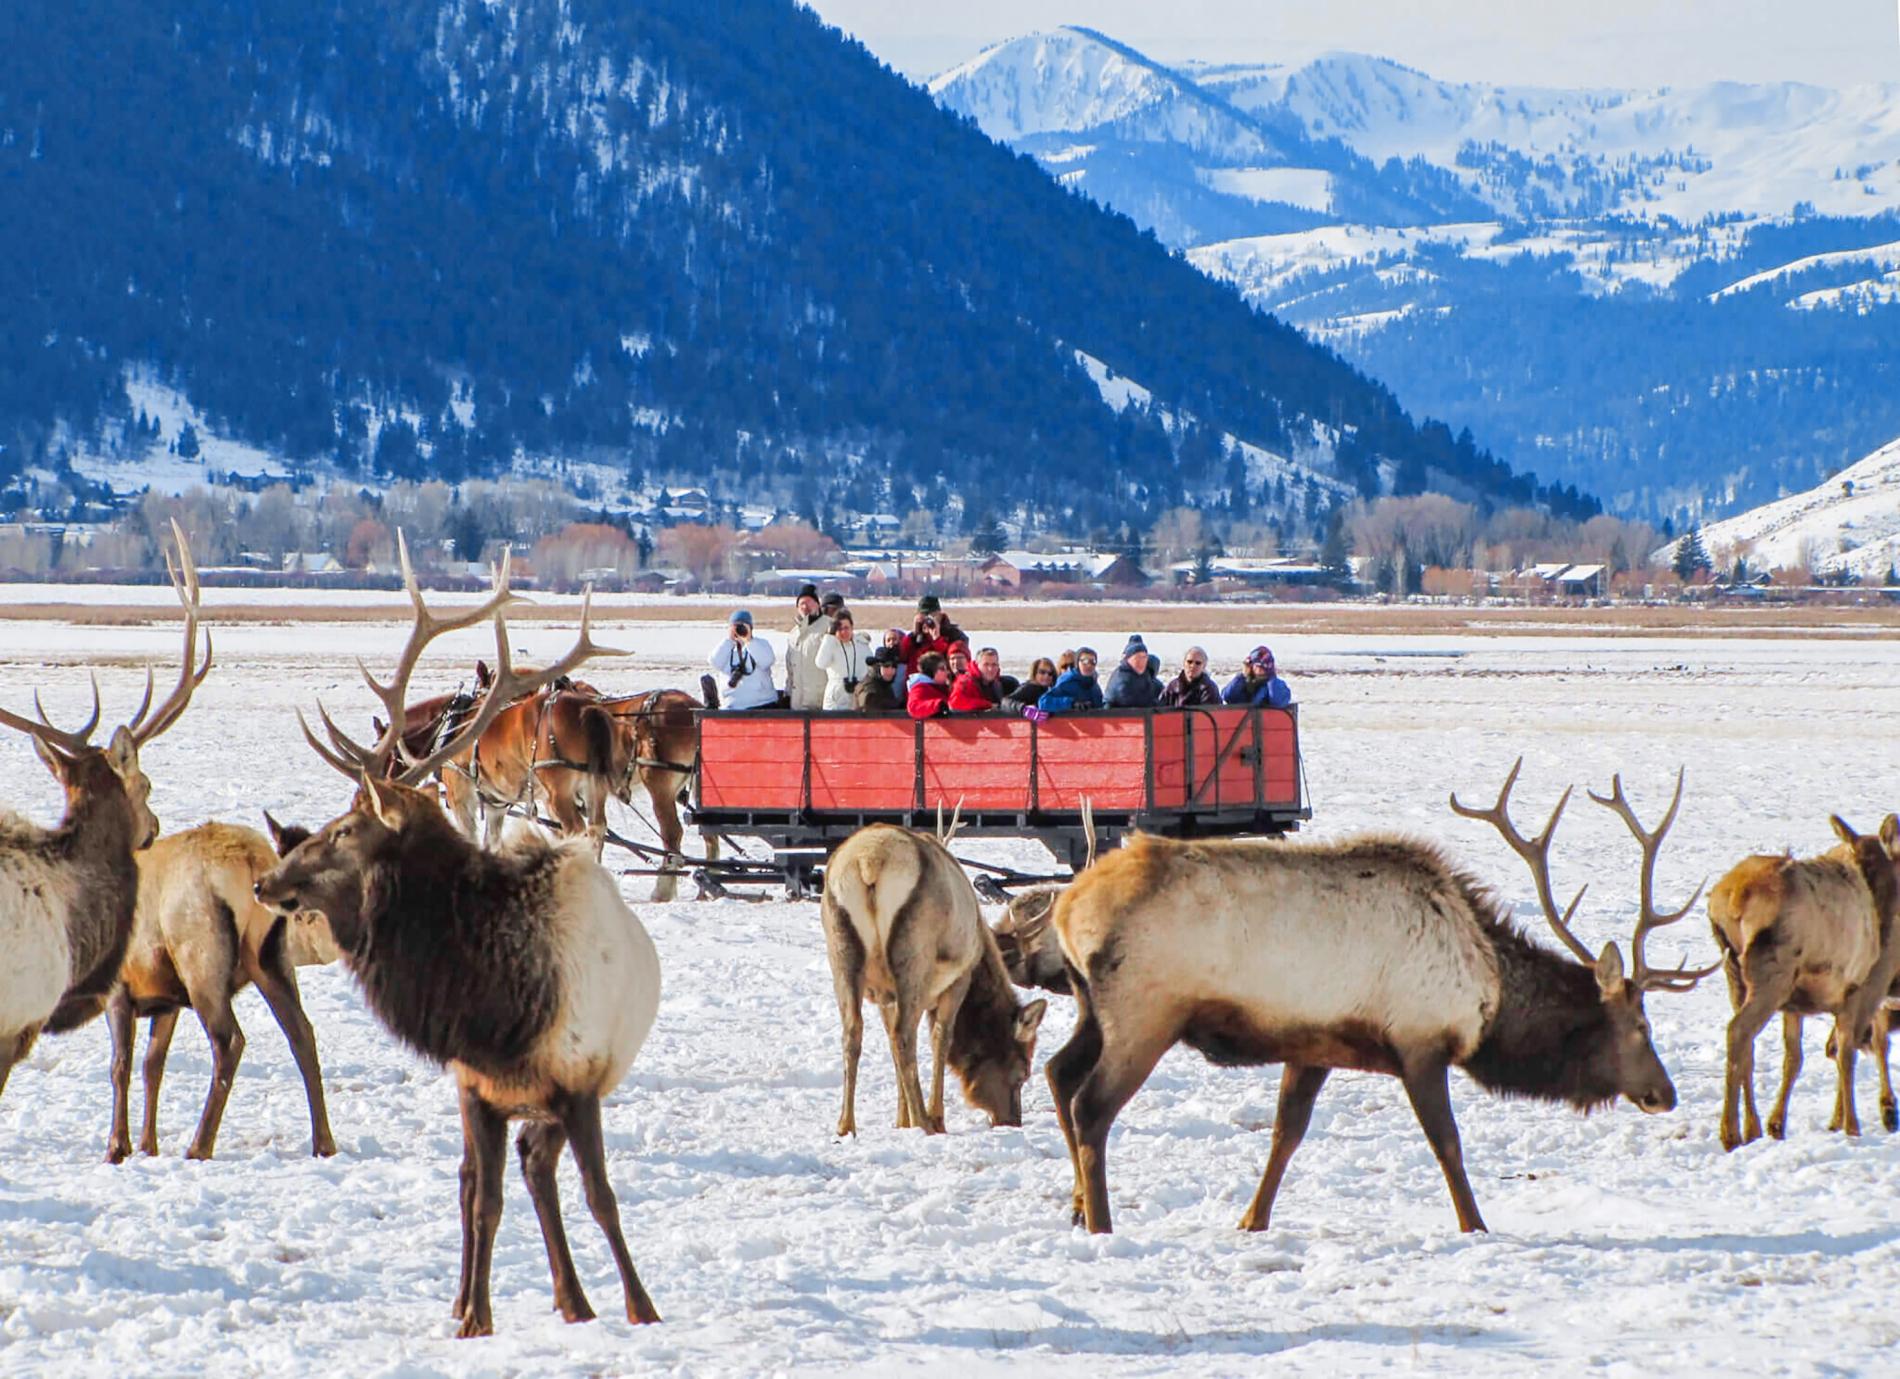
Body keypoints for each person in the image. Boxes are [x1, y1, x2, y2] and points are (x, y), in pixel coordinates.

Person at [709, 609, 778, 710]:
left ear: (750, 628)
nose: (739, 630)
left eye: (743, 626)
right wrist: (729, 641)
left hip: (762, 704)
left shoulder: (761, 644)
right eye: (736, 626)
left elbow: (767, 661)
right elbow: (714, 662)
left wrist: (749, 641)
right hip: (732, 706)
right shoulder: (726, 647)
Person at [815, 610, 873, 711]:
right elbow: (820, 663)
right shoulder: (831, 645)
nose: (843, 632)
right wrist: (829, 637)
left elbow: (871, 669)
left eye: (846, 628)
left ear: (852, 627)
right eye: (839, 629)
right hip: (835, 700)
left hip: (857, 698)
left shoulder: (862, 645)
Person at [785, 583, 829, 711]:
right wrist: (787, 694)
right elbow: (790, 669)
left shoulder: (828, 626)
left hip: (821, 702)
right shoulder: (793, 634)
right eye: (801, 603)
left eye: (809, 602)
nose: (805, 607)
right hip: (797, 702)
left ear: (818, 604)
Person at [1223, 645, 1294, 708]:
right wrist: (1242, 676)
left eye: (1262, 666)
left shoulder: (1277, 684)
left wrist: (1271, 679)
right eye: (1255, 665)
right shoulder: (1243, 683)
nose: (1258, 669)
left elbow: (1278, 702)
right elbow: (1228, 696)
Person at [1104, 635, 1163, 709]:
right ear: (1128, 660)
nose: (1141, 662)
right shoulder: (1121, 676)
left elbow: (1159, 690)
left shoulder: (1146, 675)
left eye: (1144, 657)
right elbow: (1128, 700)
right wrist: (1154, 702)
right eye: (1137, 658)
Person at [1039, 647, 1103, 713]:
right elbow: (1043, 702)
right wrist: (1072, 703)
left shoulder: (1095, 686)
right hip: (1068, 722)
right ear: (1077, 663)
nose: (1089, 665)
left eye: (1093, 662)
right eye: (1085, 661)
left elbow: (1101, 708)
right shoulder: (1067, 681)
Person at [949, 646, 1007, 713]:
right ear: (977, 665)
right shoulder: (965, 682)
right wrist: (987, 705)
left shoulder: (997, 683)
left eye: (994, 665)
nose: (990, 669)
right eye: (986, 665)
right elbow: (955, 703)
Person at [854, 646, 905, 712]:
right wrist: (897, 704)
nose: (890, 670)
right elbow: (870, 709)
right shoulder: (868, 686)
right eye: (886, 666)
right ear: (877, 666)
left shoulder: (885, 684)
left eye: (894, 666)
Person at [907, 651, 953, 719]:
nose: (947, 672)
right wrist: (938, 705)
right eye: (942, 669)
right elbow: (913, 707)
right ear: (931, 671)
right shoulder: (920, 688)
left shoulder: (941, 688)